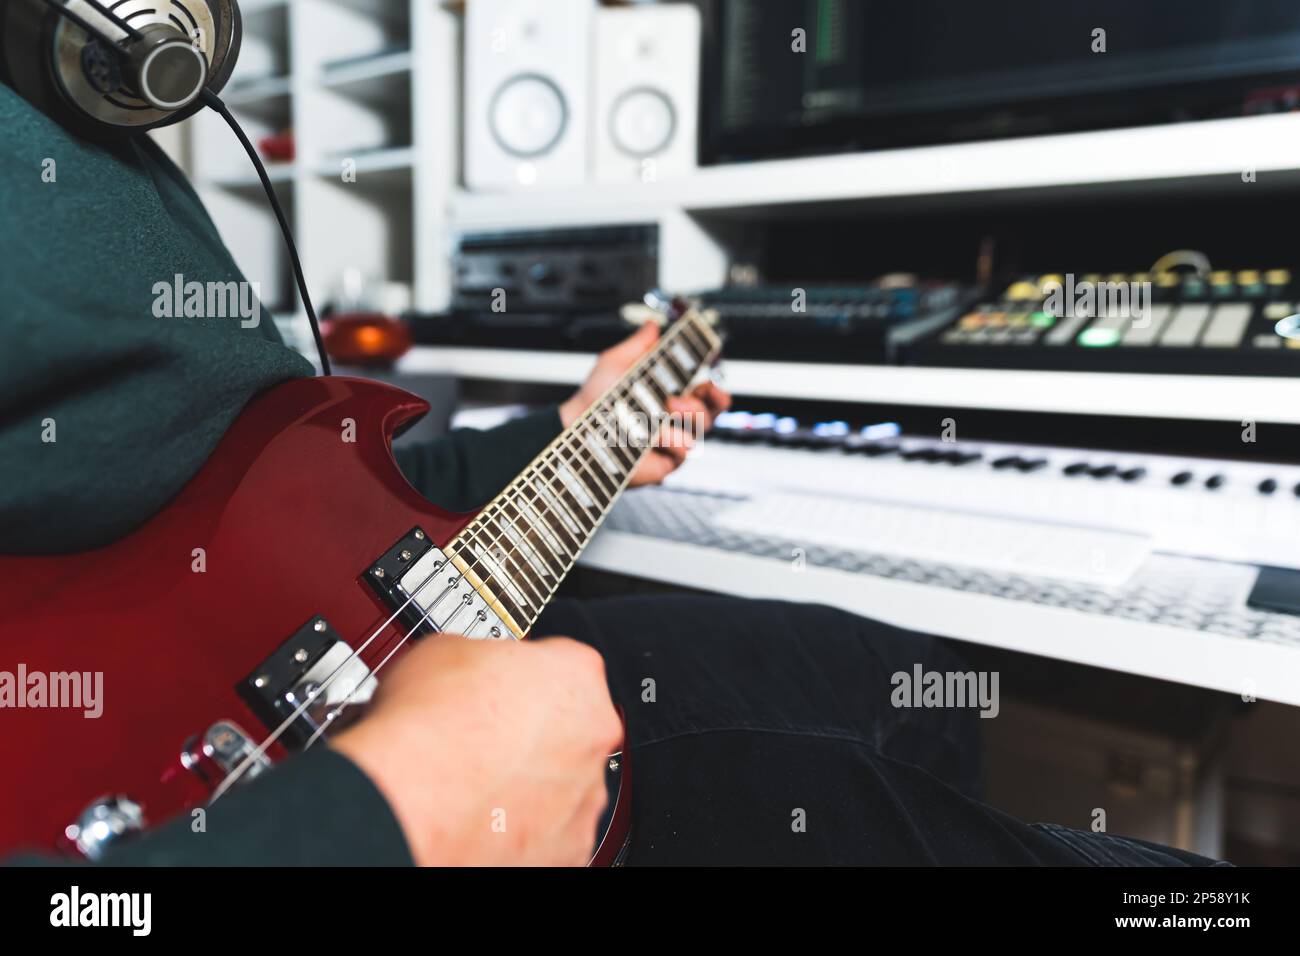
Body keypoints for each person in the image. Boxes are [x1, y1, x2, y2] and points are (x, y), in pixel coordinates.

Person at [0, 78, 1227, 867]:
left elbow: (250, 476)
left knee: (913, 674)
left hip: (344, 646)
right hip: (327, 807)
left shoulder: (70, 76)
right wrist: (379, 817)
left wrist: (572, 435)